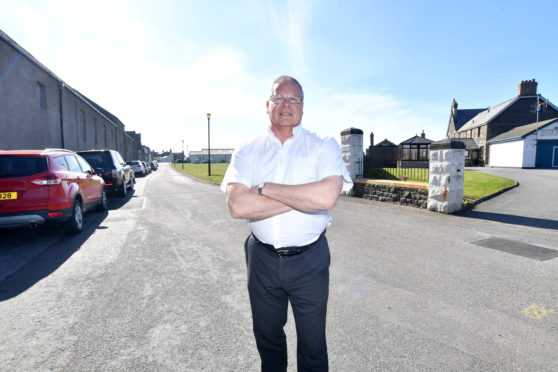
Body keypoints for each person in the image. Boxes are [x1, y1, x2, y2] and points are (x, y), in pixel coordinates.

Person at [220, 75, 353, 372]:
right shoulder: (248, 149)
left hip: (310, 260)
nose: (286, 104)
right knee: (268, 340)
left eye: (293, 99)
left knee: (313, 345)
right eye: (279, 98)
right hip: (262, 259)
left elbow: (326, 198)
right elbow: (238, 205)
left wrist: (264, 187)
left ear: (303, 107)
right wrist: (303, 195)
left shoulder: (323, 145)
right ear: (267, 105)